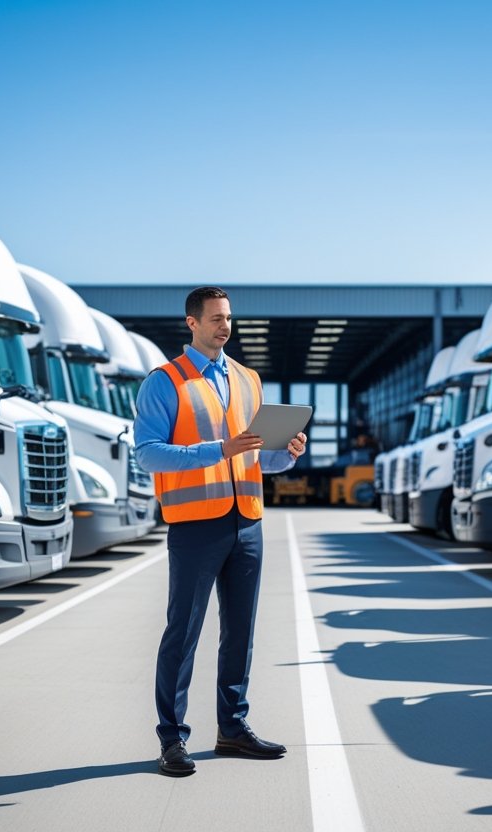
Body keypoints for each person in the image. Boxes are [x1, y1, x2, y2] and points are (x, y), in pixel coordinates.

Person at [135, 286, 307, 777]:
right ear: (191, 323)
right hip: (194, 526)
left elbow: (258, 457)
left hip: (247, 521)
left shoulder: (248, 379)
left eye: (228, 318)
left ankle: (232, 728)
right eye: (214, 319)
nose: (224, 326)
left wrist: (287, 452)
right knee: (182, 635)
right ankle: (172, 740)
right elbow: (147, 452)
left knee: (240, 634)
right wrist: (219, 450)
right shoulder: (165, 381)